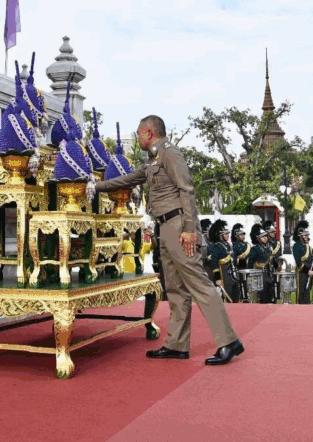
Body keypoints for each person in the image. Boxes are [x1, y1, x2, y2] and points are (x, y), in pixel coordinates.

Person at [92, 115, 243, 365]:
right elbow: (130, 179)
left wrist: (190, 229)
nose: (138, 138)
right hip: (164, 227)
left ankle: (229, 341)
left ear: (148, 132)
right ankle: (177, 344)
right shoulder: (153, 158)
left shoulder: (171, 153)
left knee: (199, 284)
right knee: (174, 288)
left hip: (179, 226)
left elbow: (187, 189)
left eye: (139, 133)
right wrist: (96, 186)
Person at [206, 220, 240, 303]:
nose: (228, 235)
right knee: (227, 296)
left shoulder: (228, 245)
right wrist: (217, 278)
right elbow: (214, 263)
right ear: (220, 236)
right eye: (226, 234)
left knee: (235, 294)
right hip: (223, 275)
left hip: (232, 274)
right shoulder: (217, 247)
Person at [292, 221, 313, 304]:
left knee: (308, 291)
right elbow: (298, 262)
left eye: (307, 235)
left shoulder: (308, 246)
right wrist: (308, 271)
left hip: (309, 272)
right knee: (302, 291)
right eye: (305, 235)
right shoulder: (296, 246)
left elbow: (312, 260)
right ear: (300, 236)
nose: (307, 237)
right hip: (302, 272)